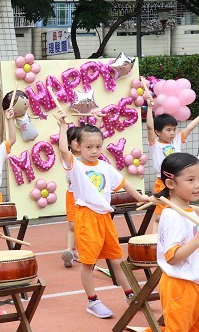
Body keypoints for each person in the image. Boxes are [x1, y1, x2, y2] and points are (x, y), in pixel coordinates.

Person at [56, 113, 149, 318]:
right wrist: (62, 126)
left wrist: (140, 197)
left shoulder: (105, 166)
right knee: (89, 263)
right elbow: (63, 149)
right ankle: (92, 301)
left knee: (117, 260)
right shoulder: (75, 165)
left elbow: (124, 183)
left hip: (105, 218)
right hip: (86, 218)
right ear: (77, 146)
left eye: (98, 146)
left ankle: (130, 294)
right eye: (89, 147)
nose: (94, 151)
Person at [154, 153, 199, 332]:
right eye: (191, 180)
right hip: (180, 287)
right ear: (170, 184)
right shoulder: (172, 216)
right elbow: (172, 257)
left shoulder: (189, 210)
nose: (198, 185)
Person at [144, 87, 199, 234]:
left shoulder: (176, 141)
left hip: (180, 181)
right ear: (158, 132)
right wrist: (149, 107)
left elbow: (190, 127)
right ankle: (156, 241)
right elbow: (149, 127)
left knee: (181, 211)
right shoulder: (155, 144)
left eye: (174, 129)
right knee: (159, 216)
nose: (172, 133)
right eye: (168, 130)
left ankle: (183, 237)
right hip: (163, 182)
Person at [61, 126, 81, 268]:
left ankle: (79, 250)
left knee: (84, 225)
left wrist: (98, 120)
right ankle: (69, 251)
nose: (79, 142)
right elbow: (62, 148)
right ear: (69, 142)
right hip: (73, 195)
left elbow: (94, 139)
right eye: (76, 140)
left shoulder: (89, 156)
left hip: (86, 196)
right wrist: (62, 127)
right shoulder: (69, 158)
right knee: (72, 225)